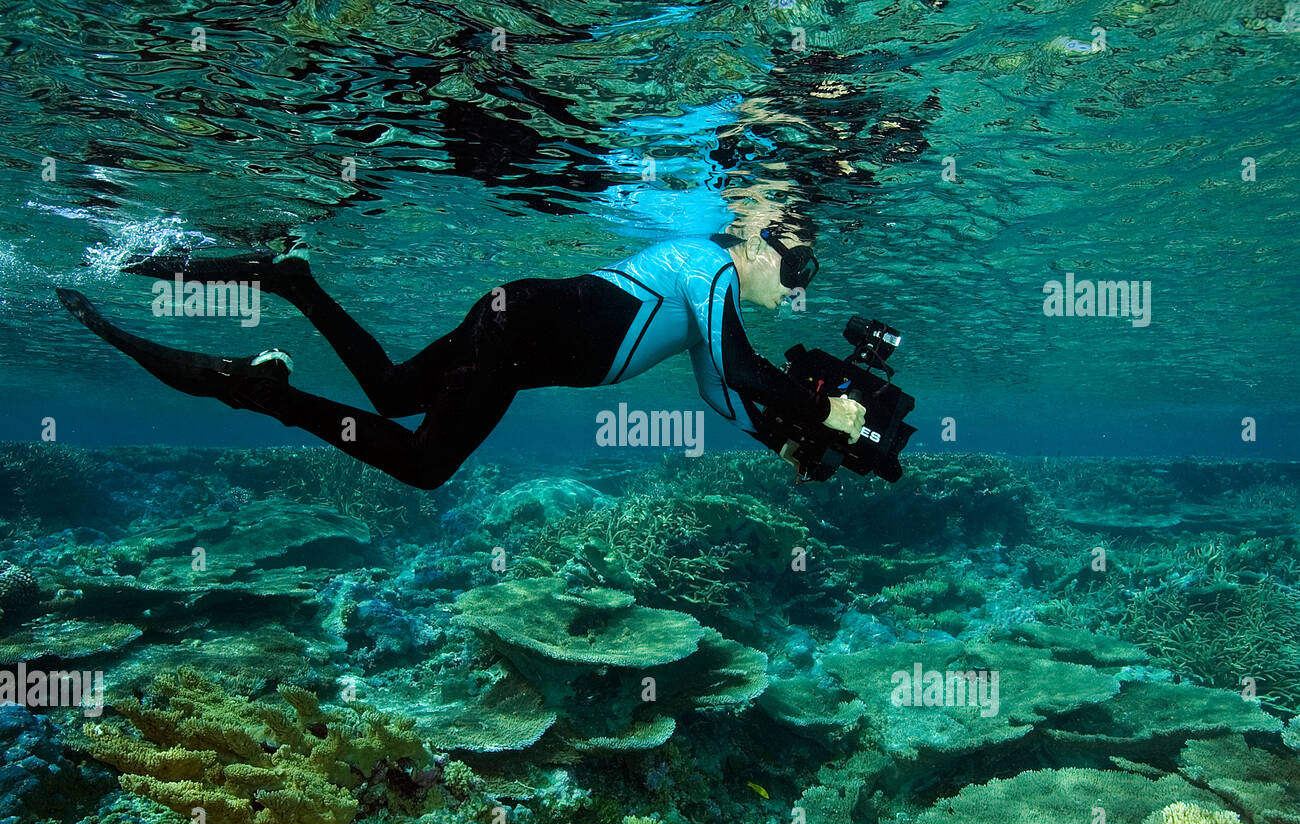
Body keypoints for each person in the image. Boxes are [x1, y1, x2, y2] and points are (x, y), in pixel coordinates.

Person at [55, 224, 866, 489]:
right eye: (796, 270)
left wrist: (783, 437)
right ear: (761, 242)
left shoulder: (707, 303)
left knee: (391, 389)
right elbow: (742, 372)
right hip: (517, 336)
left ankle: (295, 282)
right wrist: (827, 410)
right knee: (424, 464)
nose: (795, 290)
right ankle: (270, 392)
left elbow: (723, 393)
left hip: (512, 330)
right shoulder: (710, 264)